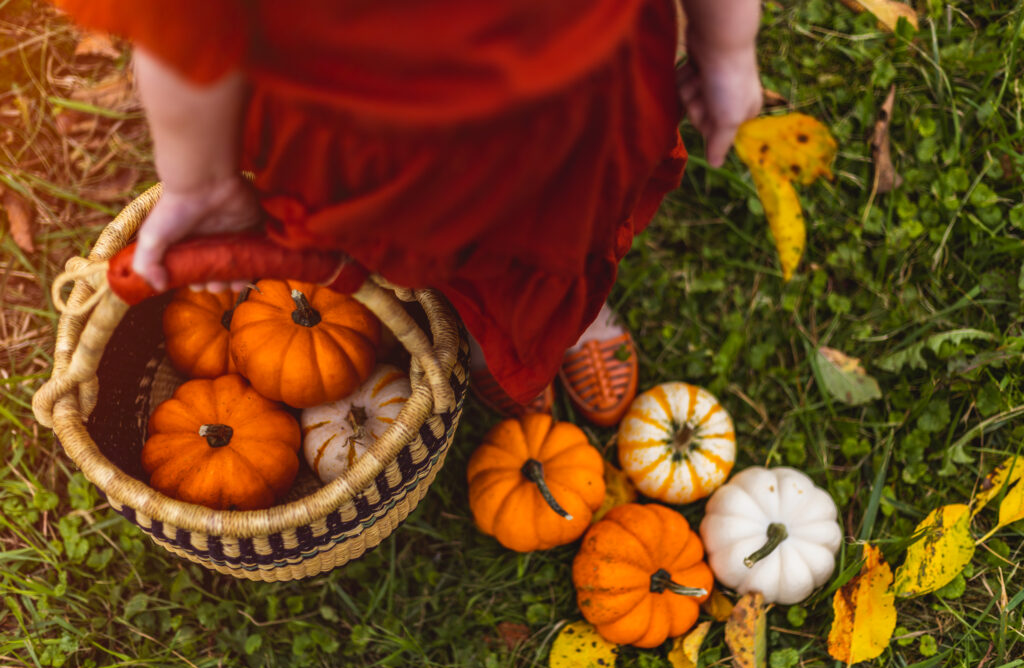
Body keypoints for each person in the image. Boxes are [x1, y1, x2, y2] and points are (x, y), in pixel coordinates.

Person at [54, 0, 761, 426]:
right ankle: (486, 325)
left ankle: (567, 320)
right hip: (378, 147)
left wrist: (723, 44)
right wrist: (201, 182)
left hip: (566, 107)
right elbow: (182, 26)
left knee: (569, 238)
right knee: (427, 254)